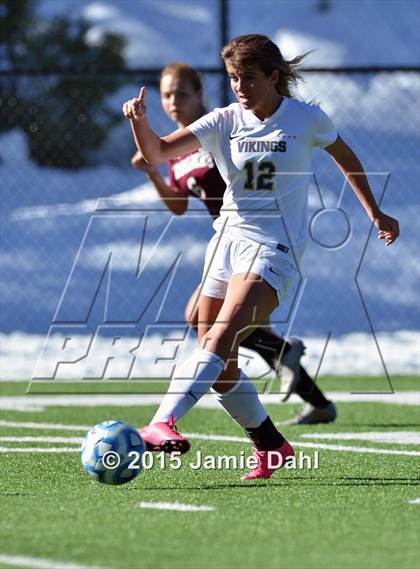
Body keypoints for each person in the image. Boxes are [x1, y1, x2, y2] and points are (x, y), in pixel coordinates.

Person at [123, 34, 399, 480]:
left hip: (275, 246)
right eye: (233, 78)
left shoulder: (306, 119)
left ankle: (163, 421)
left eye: (248, 78)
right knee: (215, 354)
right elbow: (156, 151)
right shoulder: (223, 121)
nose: (239, 87)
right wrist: (139, 122)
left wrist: (376, 212)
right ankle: (270, 445)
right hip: (226, 243)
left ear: (274, 76)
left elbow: (346, 158)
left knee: (221, 337)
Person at [131, 62, 336, 425]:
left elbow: (259, 166)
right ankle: (306, 390)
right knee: (212, 323)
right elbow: (178, 204)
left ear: (199, 94)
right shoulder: (181, 149)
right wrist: (153, 174)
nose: (173, 101)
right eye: (167, 95)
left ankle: (280, 369)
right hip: (228, 244)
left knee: (213, 324)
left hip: (262, 239)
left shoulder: (220, 129)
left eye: (182, 93)